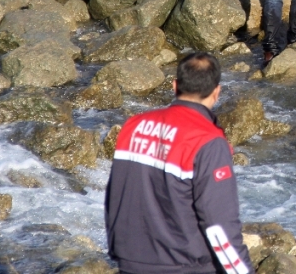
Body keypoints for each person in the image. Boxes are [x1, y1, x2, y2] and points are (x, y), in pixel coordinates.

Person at [105, 52, 251, 274]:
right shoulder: (208, 141)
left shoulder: (133, 126)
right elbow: (219, 224)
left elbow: (115, 195)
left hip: (130, 261)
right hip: (184, 265)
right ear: (216, 92)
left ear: (175, 86)